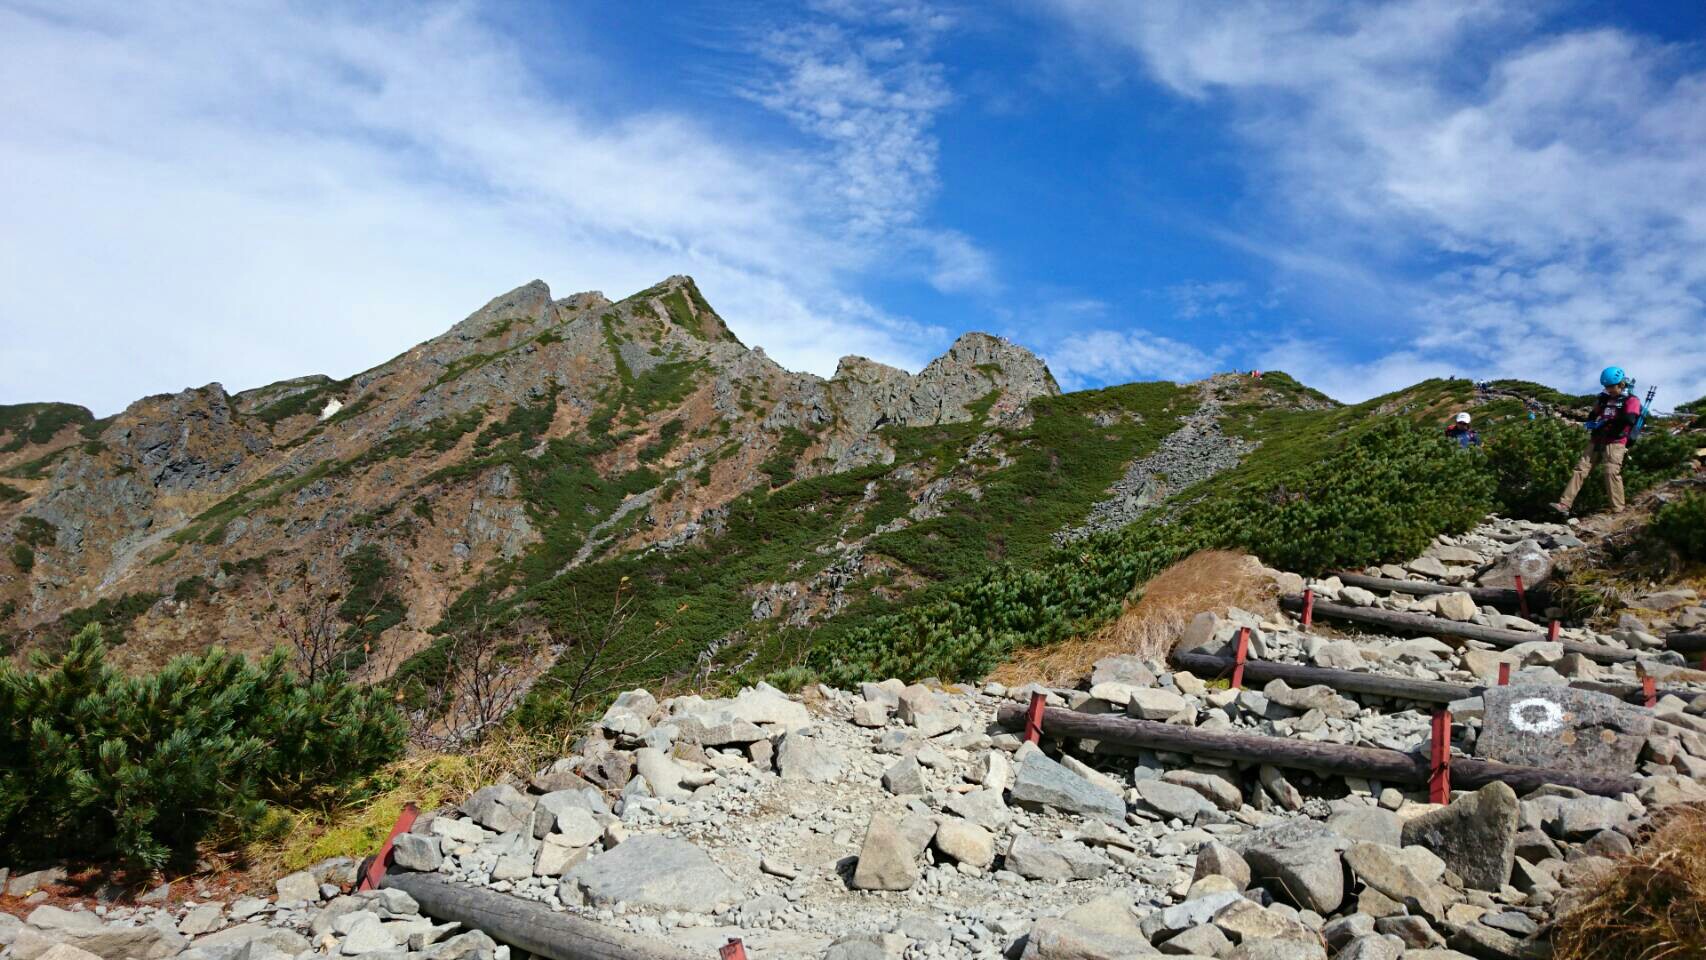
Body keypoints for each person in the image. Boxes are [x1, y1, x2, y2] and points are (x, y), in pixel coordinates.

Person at [1551, 366, 1643, 515]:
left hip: (1616, 441)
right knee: (1580, 469)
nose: (1609, 389)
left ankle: (1618, 510)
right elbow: (1593, 414)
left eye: (1611, 386)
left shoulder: (1631, 400)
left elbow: (1630, 419)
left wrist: (1607, 423)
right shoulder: (1603, 399)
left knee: (1611, 472)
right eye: (1606, 387)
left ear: (1621, 384)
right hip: (1597, 439)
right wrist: (1592, 423)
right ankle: (1564, 504)